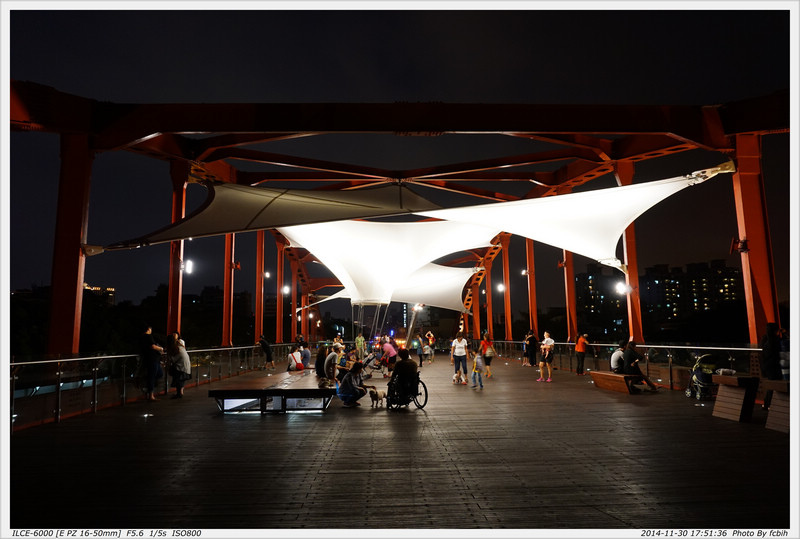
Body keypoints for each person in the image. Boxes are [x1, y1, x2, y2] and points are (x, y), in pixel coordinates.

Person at [759, 322, 783, 408]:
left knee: (771, 385)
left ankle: (767, 404)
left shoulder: (764, 339)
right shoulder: (776, 340)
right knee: (777, 384)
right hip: (775, 365)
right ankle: (770, 404)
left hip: (766, 365)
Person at [139, 325, 165, 401]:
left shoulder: (141, 337)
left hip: (149, 359)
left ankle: (149, 388)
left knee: (157, 374)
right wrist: (161, 348)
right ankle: (151, 395)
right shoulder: (148, 336)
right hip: (152, 359)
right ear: (149, 329)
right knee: (153, 376)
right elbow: (153, 346)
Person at [166, 331, 191, 398]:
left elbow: (173, 359)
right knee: (180, 378)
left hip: (181, 367)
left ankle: (179, 393)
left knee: (177, 375)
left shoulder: (175, 348)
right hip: (185, 365)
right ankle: (180, 393)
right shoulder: (180, 345)